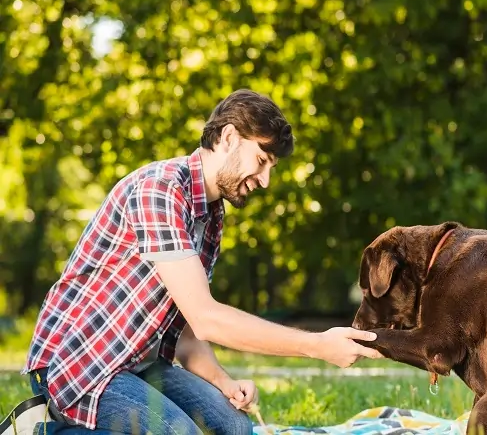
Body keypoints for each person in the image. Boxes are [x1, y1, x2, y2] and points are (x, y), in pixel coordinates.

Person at [10, 89, 383, 435]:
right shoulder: (160, 190)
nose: (267, 180)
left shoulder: (210, 214)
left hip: (136, 364)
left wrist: (223, 381)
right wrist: (318, 345)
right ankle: (42, 427)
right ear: (229, 138)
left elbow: (187, 327)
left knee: (237, 428)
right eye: (261, 160)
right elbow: (207, 318)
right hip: (81, 365)